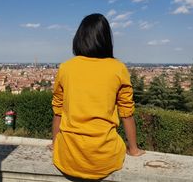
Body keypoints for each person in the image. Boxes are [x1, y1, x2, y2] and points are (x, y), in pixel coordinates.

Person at [50, 13, 145, 180]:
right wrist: (134, 149)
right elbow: (126, 113)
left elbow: (58, 110)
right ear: (106, 39)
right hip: (105, 159)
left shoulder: (66, 68)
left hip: (68, 157)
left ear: (79, 38)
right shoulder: (118, 69)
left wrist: (55, 144)